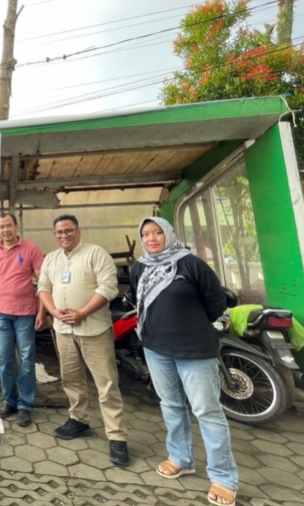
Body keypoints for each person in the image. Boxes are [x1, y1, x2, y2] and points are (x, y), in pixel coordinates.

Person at [130, 216, 238, 506]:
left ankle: (223, 477)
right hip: (155, 348)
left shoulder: (190, 264)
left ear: (169, 234)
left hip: (195, 350)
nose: (152, 238)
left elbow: (215, 302)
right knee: (171, 405)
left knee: (207, 411)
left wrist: (189, 324)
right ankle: (181, 457)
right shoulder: (139, 267)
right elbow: (138, 301)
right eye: (146, 234)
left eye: (157, 233)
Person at [37, 214, 129, 466]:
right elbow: (43, 287)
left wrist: (83, 312)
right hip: (64, 331)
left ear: (78, 231)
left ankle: (117, 437)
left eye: (68, 231)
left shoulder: (96, 254)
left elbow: (108, 288)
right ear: (55, 235)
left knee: (106, 383)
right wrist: (53, 311)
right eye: (59, 232)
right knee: (71, 378)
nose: (64, 236)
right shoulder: (51, 259)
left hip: (94, 330)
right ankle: (78, 420)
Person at [0, 212, 44, 427]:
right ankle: (9, 401)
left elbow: (42, 281)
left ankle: (25, 405)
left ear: (17, 227)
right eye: (1, 226)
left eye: (9, 225)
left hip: (25, 313)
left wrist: (42, 311)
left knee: (27, 359)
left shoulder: (31, 249)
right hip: (1, 313)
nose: (5, 230)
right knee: (3, 359)